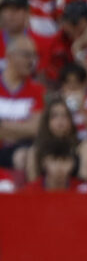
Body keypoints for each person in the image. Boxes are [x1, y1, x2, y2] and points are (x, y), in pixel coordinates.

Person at [0, 33, 44, 170]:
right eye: (26, 55)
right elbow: (29, 128)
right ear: (9, 56)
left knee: (24, 156)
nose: (32, 61)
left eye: (34, 56)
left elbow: (36, 129)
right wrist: (22, 128)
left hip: (22, 150)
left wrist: (3, 127)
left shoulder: (38, 90)